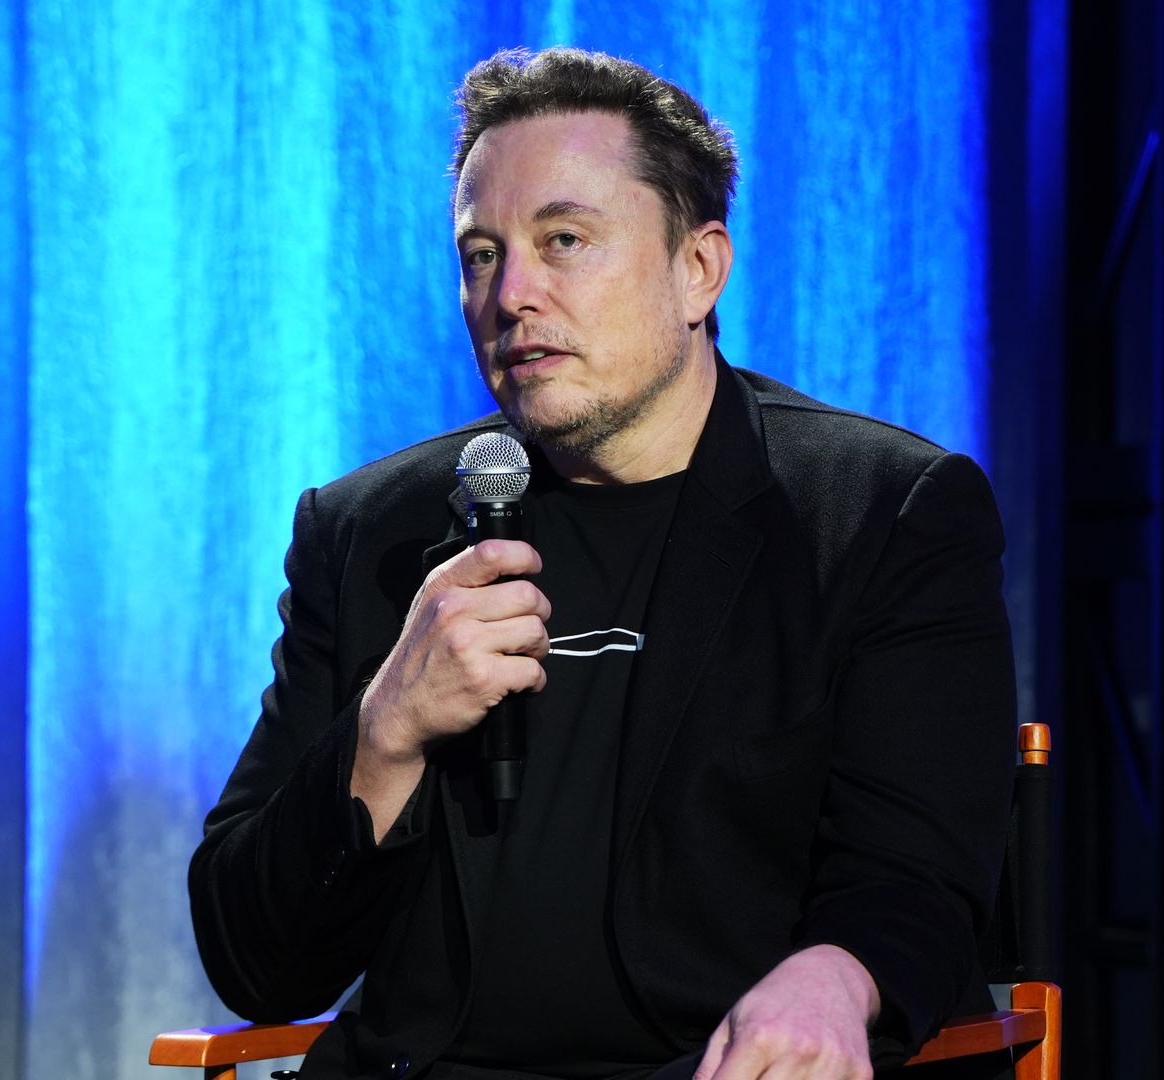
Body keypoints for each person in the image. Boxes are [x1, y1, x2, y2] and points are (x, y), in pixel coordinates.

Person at [189, 46, 1017, 1080]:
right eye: (481, 255)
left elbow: (914, 878)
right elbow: (251, 960)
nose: (512, 294)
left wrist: (836, 978)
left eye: (564, 240)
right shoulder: (372, 532)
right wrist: (387, 727)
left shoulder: (879, 514)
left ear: (698, 269)